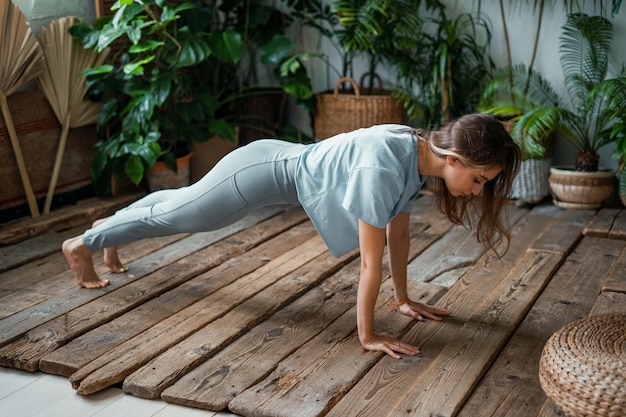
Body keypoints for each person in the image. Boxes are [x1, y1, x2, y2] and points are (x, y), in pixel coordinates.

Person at [63, 113, 520, 358]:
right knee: (185, 216)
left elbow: (398, 235)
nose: (476, 191)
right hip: (258, 172)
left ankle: (105, 230)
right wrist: (367, 334)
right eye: (479, 180)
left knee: (181, 205)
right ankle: (82, 244)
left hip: (276, 167)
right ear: (456, 159)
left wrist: (402, 300)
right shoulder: (385, 164)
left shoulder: (417, 154)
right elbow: (368, 261)